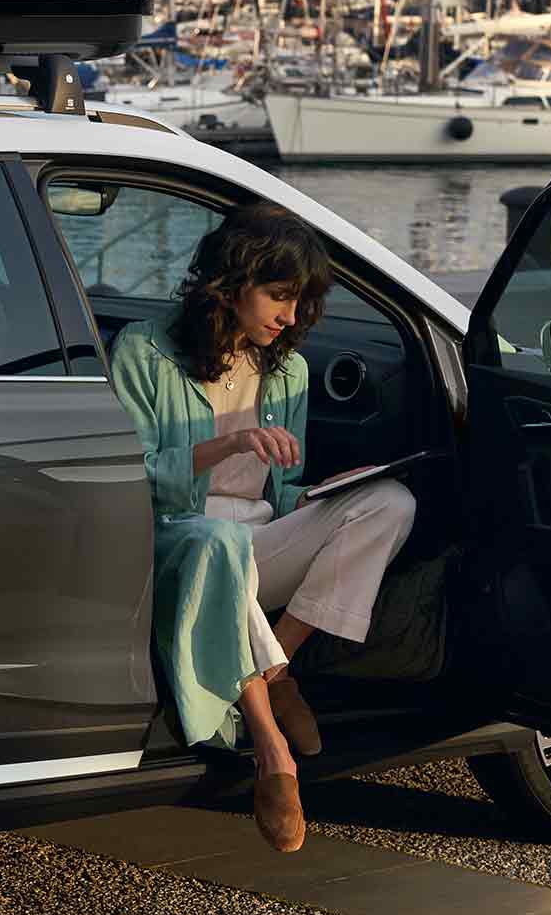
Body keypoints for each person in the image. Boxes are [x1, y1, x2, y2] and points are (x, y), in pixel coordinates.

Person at [106, 201, 416, 853]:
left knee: (391, 501)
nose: (292, 317)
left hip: (259, 542)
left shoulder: (289, 371)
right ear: (231, 283)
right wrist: (228, 444)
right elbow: (127, 477)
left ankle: (278, 665)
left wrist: (324, 496)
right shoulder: (145, 351)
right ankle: (272, 746)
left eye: (302, 302)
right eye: (279, 296)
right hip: (175, 540)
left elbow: (281, 490)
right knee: (218, 542)